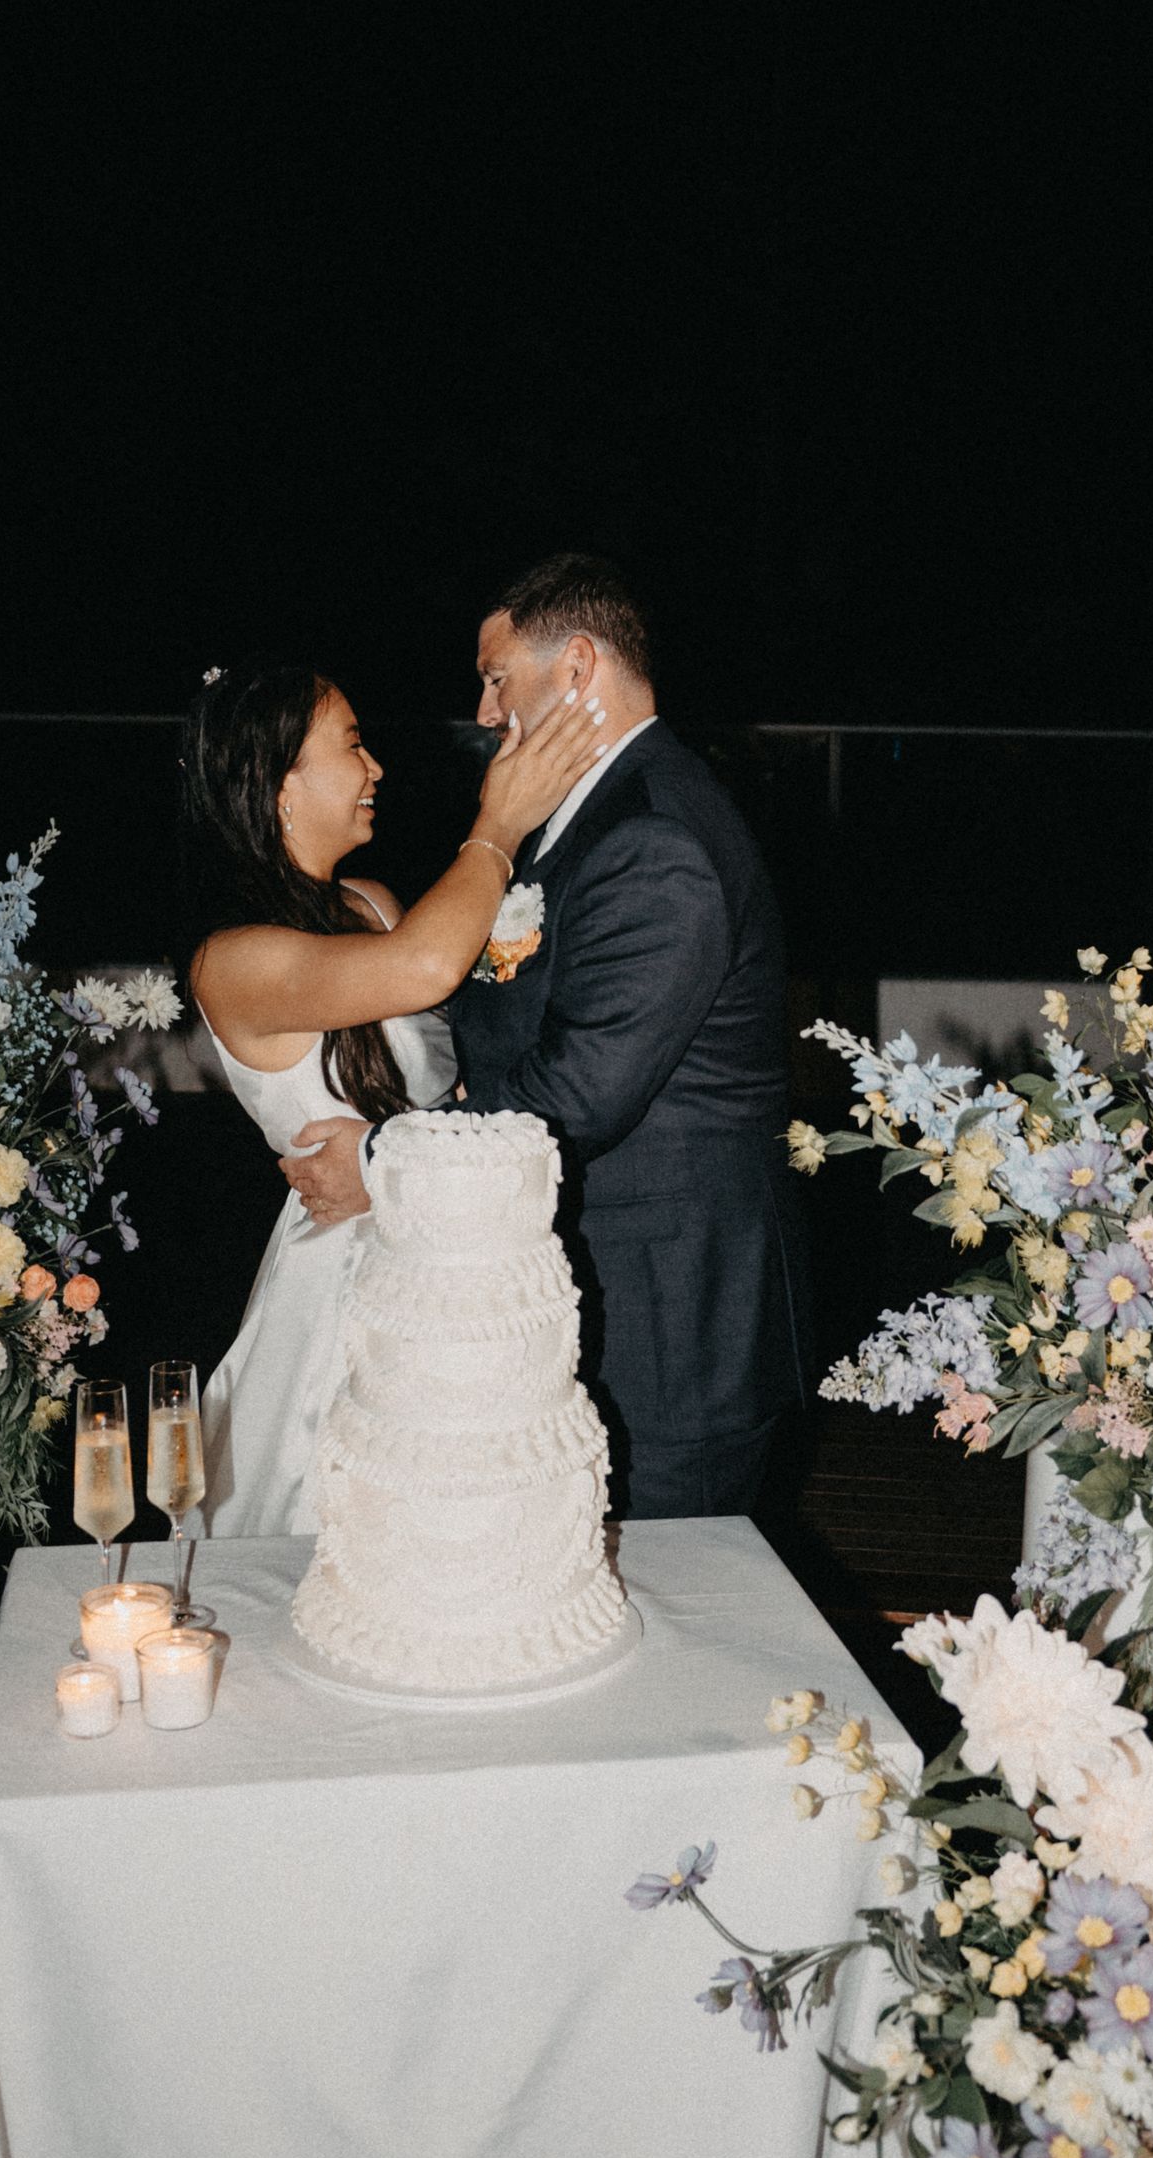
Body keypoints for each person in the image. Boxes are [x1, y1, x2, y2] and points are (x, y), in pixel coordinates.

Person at [281, 554, 810, 1519]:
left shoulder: (657, 838)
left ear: (574, 668)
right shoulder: (592, 819)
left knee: (667, 1619)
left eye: (495, 679)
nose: (483, 714)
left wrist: (386, 1160)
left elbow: (577, 1096)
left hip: (671, 1331)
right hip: (599, 1302)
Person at [183, 660, 606, 1536]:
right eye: (351, 746)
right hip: (341, 1283)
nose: (376, 768)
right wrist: (497, 827)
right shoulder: (233, 961)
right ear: (279, 785)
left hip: (452, 1245)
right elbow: (427, 966)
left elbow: (452, 1034)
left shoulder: (373, 905)